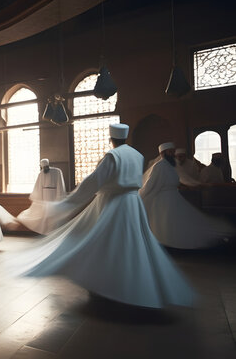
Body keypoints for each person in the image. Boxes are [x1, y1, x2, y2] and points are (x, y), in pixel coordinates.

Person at [17, 124, 194, 308]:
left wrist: (65, 203)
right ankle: (133, 284)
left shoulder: (112, 156)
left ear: (111, 139)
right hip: (133, 204)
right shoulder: (137, 155)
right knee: (130, 244)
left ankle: (106, 284)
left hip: (113, 203)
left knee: (104, 242)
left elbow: (93, 181)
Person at [140, 145, 235, 249]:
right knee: (166, 223)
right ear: (163, 153)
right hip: (163, 201)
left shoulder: (173, 165)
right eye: (170, 152)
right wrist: (139, 196)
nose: (173, 154)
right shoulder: (159, 166)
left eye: (173, 151)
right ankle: (166, 245)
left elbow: (183, 178)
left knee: (186, 221)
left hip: (174, 197)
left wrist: (197, 184)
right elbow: (150, 185)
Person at [16, 158, 66, 234]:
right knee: (46, 214)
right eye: (43, 167)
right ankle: (47, 231)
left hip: (53, 194)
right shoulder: (41, 173)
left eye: (45, 167)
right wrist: (39, 199)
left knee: (53, 213)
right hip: (45, 195)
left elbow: (60, 184)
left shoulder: (57, 171)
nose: (45, 169)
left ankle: (54, 231)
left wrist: (60, 195)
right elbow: (38, 186)